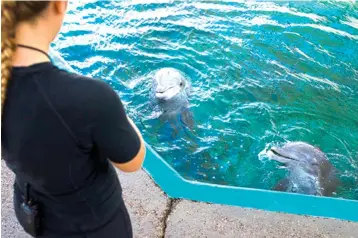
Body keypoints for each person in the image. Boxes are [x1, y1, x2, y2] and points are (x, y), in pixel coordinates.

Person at [1, 1, 146, 237]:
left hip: (34, 213)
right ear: (59, 4)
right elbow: (133, 162)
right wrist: (119, 114)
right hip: (93, 227)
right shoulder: (90, 97)